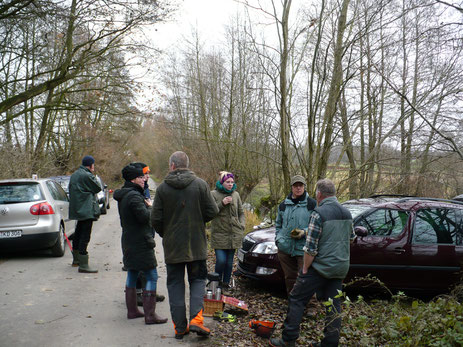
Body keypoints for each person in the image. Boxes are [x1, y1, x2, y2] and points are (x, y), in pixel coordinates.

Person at [269, 179, 353, 347]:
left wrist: (306, 267)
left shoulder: (319, 213)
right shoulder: (346, 213)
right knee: (333, 305)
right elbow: (350, 239)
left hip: (320, 267)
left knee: (297, 298)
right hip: (340, 266)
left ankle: (288, 339)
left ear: (319, 194)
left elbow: (311, 248)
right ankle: (330, 343)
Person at [151, 151, 218, 339]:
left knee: (175, 285)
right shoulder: (201, 185)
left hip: (173, 247)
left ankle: (180, 328)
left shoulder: (163, 189)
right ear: (187, 165)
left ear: (172, 165)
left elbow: (155, 219)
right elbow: (212, 211)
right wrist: (198, 222)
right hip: (196, 244)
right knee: (197, 281)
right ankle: (196, 321)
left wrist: (167, 233)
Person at [113, 164, 167, 325]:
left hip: (129, 241)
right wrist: (150, 207)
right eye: (141, 177)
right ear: (133, 179)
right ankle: (150, 315)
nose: (144, 179)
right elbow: (145, 218)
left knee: (132, 274)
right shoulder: (135, 197)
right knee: (151, 275)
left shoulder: (125, 195)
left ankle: (132, 311)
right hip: (140, 243)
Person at [130, 162, 165, 304]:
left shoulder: (144, 188)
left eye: (148, 174)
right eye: (144, 174)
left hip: (146, 231)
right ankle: (141, 294)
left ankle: (148, 292)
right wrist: (150, 208)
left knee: (146, 266)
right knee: (142, 266)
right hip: (140, 234)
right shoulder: (134, 194)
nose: (147, 177)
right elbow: (143, 215)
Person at [275, 175, 316, 295]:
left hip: (304, 248)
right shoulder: (283, 205)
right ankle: (293, 304)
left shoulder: (312, 204)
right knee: (290, 278)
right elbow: (278, 224)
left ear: (304, 187)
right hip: (285, 248)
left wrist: (304, 232)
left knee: (306, 278)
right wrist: (278, 239)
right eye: (296, 186)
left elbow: (318, 225)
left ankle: (310, 306)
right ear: (292, 187)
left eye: (301, 185)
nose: (298, 188)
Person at [210, 171, 245, 290]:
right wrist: (222, 203)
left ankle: (225, 285)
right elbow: (210, 212)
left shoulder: (236, 195)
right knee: (221, 260)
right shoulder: (213, 194)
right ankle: (216, 282)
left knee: (229, 263)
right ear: (221, 182)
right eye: (227, 182)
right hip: (219, 234)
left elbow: (241, 212)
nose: (230, 184)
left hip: (234, 234)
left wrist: (242, 225)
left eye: (232, 182)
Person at [69, 155, 102, 273]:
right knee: (85, 235)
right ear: (91, 165)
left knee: (78, 233)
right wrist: (94, 177)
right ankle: (83, 264)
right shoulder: (87, 175)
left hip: (78, 209)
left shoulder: (74, 175)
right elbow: (98, 188)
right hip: (86, 209)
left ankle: (76, 260)